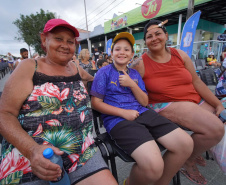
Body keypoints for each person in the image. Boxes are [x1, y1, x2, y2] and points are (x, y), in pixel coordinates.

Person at [0, 18, 117, 185]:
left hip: (81, 149)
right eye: (58, 39)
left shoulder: (75, 68)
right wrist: (32, 150)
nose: (65, 44)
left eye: (70, 41)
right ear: (44, 40)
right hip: (30, 154)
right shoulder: (29, 67)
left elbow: (97, 82)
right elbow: (4, 114)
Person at [91, 32, 193, 185]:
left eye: (126, 49)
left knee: (185, 144)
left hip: (142, 112)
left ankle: (160, 182)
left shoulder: (134, 74)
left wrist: (132, 84)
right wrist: (124, 113)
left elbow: (144, 101)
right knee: (154, 166)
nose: (122, 53)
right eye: (118, 49)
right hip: (117, 120)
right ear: (111, 53)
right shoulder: (103, 73)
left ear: (132, 54)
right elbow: (95, 103)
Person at [131, 19, 225, 184]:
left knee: (222, 119)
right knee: (216, 128)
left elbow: (196, 82)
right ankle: (188, 160)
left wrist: (217, 104)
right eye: (149, 36)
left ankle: (192, 155)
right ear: (145, 41)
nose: (154, 38)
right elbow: (130, 88)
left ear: (166, 36)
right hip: (163, 103)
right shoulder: (140, 64)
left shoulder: (180, 54)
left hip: (193, 98)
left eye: (158, 33)